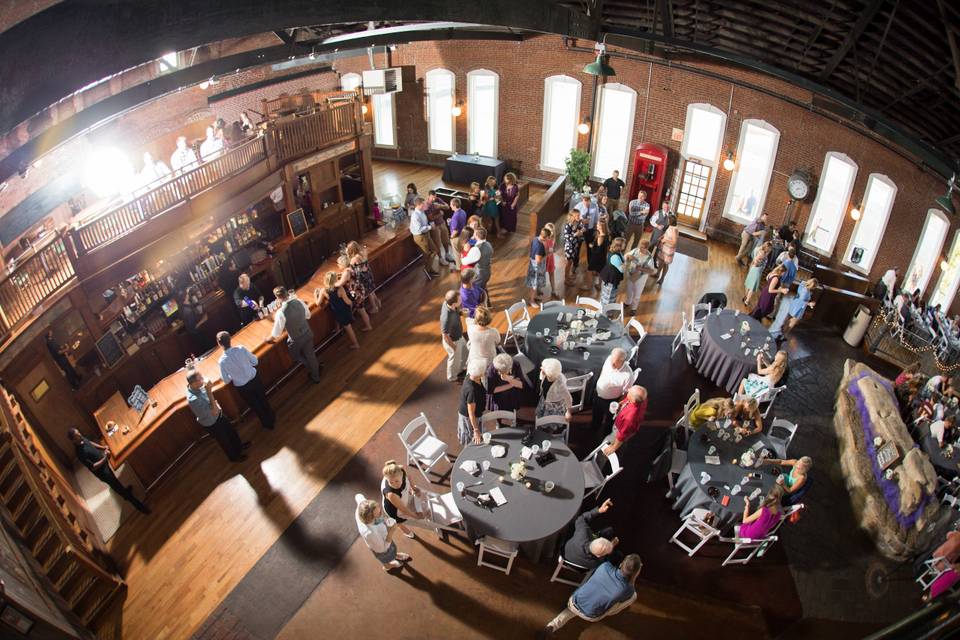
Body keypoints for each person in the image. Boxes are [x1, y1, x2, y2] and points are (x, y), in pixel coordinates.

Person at [540, 554, 641, 636]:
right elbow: (630, 587)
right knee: (633, 596)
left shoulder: (604, 566)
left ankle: (552, 626)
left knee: (577, 605)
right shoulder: (628, 590)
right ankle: (609, 611)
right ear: (635, 573)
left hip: (573, 601)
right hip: (591, 615)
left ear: (621, 564)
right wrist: (633, 578)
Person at [68, 428, 150, 514]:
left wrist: (103, 447)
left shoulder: (82, 439)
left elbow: (90, 443)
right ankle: (140, 507)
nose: (80, 435)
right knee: (116, 486)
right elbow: (93, 467)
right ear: (73, 440)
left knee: (116, 482)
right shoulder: (80, 454)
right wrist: (105, 458)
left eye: (79, 433)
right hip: (102, 472)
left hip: (104, 462)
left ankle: (125, 492)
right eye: (77, 436)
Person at [184, 370, 249, 462]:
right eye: (200, 379)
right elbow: (213, 412)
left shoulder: (198, 386)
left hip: (219, 414)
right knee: (225, 441)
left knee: (231, 431)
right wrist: (209, 391)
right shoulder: (193, 400)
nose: (203, 380)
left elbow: (211, 401)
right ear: (194, 383)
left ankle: (239, 447)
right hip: (212, 423)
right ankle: (234, 457)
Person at [217, 331, 275, 430]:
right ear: (230, 339)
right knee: (263, 399)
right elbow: (255, 361)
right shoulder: (241, 349)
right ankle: (272, 417)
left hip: (243, 387)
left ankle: (267, 423)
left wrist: (233, 376)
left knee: (255, 406)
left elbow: (226, 380)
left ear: (219, 344)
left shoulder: (222, 361)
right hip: (254, 379)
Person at [266, 287, 321, 384]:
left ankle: (311, 367)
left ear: (277, 298)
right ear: (287, 293)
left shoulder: (280, 313)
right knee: (311, 355)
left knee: (295, 355)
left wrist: (267, 339)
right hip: (307, 332)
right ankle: (315, 373)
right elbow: (308, 315)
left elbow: (276, 333)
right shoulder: (299, 301)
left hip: (296, 340)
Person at [563, 498, 621, 570]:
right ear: (598, 555)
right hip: (579, 566)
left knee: (608, 531)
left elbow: (581, 519)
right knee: (617, 553)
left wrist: (599, 510)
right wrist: (612, 546)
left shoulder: (582, 533)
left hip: (567, 554)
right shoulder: (597, 563)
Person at [355, 498, 411, 572]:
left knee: (392, 550)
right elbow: (383, 548)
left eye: (380, 510)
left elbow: (358, 496)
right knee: (385, 559)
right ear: (370, 519)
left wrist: (385, 521)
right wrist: (391, 531)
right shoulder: (370, 533)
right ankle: (388, 566)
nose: (381, 514)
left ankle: (395, 555)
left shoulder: (362, 507)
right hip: (381, 550)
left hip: (384, 538)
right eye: (378, 514)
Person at [592, 349, 633, 441]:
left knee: (609, 421)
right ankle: (594, 428)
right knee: (596, 414)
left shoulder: (628, 375)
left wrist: (618, 404)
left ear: (623, 361)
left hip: (611, 401)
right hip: (597, 394)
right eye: (611, 360)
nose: (612, 364)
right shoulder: (609, 359)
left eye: (615, 363)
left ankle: (605, 438)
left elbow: (626, 393)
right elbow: (603, 371)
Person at [315, 271, 360, 350]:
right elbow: (347, 301)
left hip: (336, 311)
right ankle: (356, 344)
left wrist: (315, 295)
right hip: (344, 310)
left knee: (340, 321)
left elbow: (318, 303)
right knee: (349, 329)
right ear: (335, 280)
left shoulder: (323, 291)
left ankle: (338, 330)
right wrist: (352, 303)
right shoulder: (340, 289)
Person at [381, 460, 424, 539]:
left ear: (401, 475)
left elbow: (409, 477)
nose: (394, 484)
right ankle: (405, 531)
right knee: (399, 521)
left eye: (397, 481)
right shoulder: (391, 494)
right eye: (391, 482)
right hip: (393, 509)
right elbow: (404, 510)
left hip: (400, 499)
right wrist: (416, 517)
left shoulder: (401, 469)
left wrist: (413, 488)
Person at [603, 385, 648, 456]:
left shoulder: (630, 417)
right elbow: (628, 399)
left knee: (607, 444)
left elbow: (622, 434)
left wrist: (613, 448)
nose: (628, 390)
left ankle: (603, 456)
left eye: (629, 392)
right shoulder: (642, 398)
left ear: (633, 400)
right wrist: (620, 404)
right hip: (622, 424)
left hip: (619, 430)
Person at [336, 254, 374, 332]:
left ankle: (368, 326)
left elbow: (339, 284)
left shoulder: (346, 273)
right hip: (359, 290)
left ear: (342, 264)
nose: (337, 265)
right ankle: (367, 324)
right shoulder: (350, 268)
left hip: (356, 293)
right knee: (361, 310)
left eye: (338, 264)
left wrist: (331, 283)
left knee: (362, 311)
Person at [346, 241, 381, 314]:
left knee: (369, 293)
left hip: (363, 277)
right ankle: (377, 302)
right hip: (368, 273)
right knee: (371, 290)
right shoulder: (362, 253)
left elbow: (350, 266)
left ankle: (375, 307)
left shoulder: (354, 258)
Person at [410, 196, 441, 277]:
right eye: (423, 204)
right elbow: (419, 229)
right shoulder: (415, 216)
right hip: (420, 237)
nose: (425, 205)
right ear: (419, 205)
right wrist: (430, 227)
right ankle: (428, 270)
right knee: (427, 254)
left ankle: (427, 268)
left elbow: (424, 224)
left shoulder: (422, 211)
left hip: (426, 234)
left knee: (434, 251)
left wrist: (429, 225)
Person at [458, 360, 487, 445]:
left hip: (474, 413)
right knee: (472, 439)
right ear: (480, 373)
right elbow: (471, 414)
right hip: (469, 417)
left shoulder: (470, 376)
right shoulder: (472, 391)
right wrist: (476, 430)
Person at [440, 290, 467, 382]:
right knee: (454, 359)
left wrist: (460, 312)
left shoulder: (448, 303)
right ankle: (452, 376)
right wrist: (453, 346)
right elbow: (445, 336)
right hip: (453, 340)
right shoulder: (446, 318)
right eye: (460, 299)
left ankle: (461, 368)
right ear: (454, 303)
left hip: (459, 335)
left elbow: (455, 310)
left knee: (465, 352)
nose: (461, 300)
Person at [537, 358, 573, 423]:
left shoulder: (560, 385)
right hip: (545, 399)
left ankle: (549, 429)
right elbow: (541, 380)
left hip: (554, 405)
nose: (541, 367)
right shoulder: (544, 373)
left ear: (549, 373)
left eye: (543, 367)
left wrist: (568, 412)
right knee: (542, 415)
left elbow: (568, 398)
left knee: (550, 421)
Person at [623, 240, 655, 313]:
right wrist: (628, 256)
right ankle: (627, 302)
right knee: (629, 289)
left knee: (637, 292)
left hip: (641, 277)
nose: (640, 249)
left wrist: (641, 268)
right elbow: (626, 256)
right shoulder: (635, 250)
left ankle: (634, 308)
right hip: (631, 274)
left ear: (647, 248)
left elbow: (652, 271)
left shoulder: (649, 258)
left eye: (643, 248)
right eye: (640, 246)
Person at [426, 190, 456, 267]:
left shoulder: (438, 200)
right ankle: (440, 258)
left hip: (442, 223)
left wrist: (440, 206)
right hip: (434, 226)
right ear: (429, 196)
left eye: (435, 197)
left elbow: (447, 207)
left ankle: (447, 254)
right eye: (432, 197)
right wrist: (440, 214)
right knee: (437, 242)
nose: (434, 199)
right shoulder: (426, 205)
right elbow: (430, 218)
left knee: (446, 239)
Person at [462, 226, 493, 291]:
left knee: (476, 290)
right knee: (483, 288)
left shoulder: (476, 249)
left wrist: (462, 255)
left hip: (480, 274)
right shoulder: (488, 244)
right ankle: (486, 299)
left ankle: (483, 299)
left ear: (476, 235)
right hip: (488, 271)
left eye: (474, 234)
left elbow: (464, 262)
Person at [743, 241, 772, 308]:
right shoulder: (763, 254)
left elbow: (753, 258)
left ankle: (745, 296)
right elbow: (756, 261)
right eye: (770, 249)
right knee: (752, 287)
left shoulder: (758, 249)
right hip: (757, 271)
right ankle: (747, 301)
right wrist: (758, 264)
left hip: (753, 268)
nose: (770, 250)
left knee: (749, 283)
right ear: (767, 248)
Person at [598, 237, 627, 305]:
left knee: (610, 294)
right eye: (624, 244)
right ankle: (606, 312)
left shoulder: (617, 252)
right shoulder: (615, 256)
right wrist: (627, 262)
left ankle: (606, 308)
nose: (625, 245)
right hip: (610, 278)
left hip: (611, 275)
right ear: (619, 246)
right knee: (608, 295)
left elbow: (622, 260)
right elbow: (622, 269)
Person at [587, 216, 611, 294]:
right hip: (603, 256)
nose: (596, 226)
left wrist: (591, 246)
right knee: (600, 271)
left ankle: (589, 286)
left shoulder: (601, 236)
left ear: (601, 227)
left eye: (598, 225)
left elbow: (597, 248)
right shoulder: (607, 234)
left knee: (589, 270)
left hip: (596, 257)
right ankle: (599, 285)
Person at [562, 210, 586, 287]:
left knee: (571, 262)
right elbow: (567, 237)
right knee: (568, 263)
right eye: (577, 216)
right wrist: (576, 234)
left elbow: (582, 228)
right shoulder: (568, 226)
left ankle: (568, 276)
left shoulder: (577, 223)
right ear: (573, 217)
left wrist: (582, 230)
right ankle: (566, 279)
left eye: (579, 215)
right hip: (569, 247)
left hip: (575, 246)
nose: (579, 217)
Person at [527, 227, 551, 303]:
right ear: (546, 237)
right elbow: (538, 260)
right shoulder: (539, 246)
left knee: (534, 284)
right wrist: (548, 255)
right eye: (548, 237)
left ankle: (534, 297)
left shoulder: (536, 239)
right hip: (536, 267)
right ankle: (532, 301)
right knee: (534, 284)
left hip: (532, 264)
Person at [654, 214, 678, 286]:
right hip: (664, 247)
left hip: (669, 249)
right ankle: (657, 274)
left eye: (668, 219)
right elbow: (667, 234)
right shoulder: (670, 227)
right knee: (661, 261)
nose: (667, 220)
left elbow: (674, 242)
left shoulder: (674, 230)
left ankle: (662, 279)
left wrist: (665, 240)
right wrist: (662, 237)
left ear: (670, 221)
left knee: (665, 264)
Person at [448, 197, 468, 269]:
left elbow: (455, 230)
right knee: (461, 252)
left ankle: (458, 268)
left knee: (457, 253)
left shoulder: (455, 216)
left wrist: (451, 237)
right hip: (463, 235)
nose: (450, 206)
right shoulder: (462, 211)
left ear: (454, 205)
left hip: (457, 237)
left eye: (451, 204)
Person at [543, 222, 557, 299]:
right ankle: (538, 289)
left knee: (552, 274)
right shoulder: (543, 239)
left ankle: (553, 290)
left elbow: (554, 248)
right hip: (544, 258)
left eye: (551, 231)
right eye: (548, 230)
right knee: (541, 274)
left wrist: (552, 250)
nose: (550, 232)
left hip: (550, 258)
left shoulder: (553, 238)